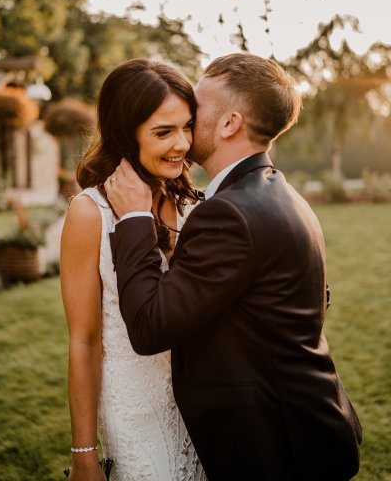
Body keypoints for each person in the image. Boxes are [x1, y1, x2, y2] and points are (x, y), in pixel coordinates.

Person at [105, 53, 362, 481]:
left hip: (274, 445)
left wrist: (134, 218)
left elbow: (150, 326)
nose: (186, 112)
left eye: (196, 106)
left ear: (229, 123)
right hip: (308, 424)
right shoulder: (280, 193)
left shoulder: (231, 214)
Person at [60, 59, 206, 480]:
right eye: (164, 132)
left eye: (188, 126)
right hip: (136, 409)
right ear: (126, 133)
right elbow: (84, 342)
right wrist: (84, 456)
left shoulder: (193, 204)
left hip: (203, 405)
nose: (182, 144)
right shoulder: (91, 214)